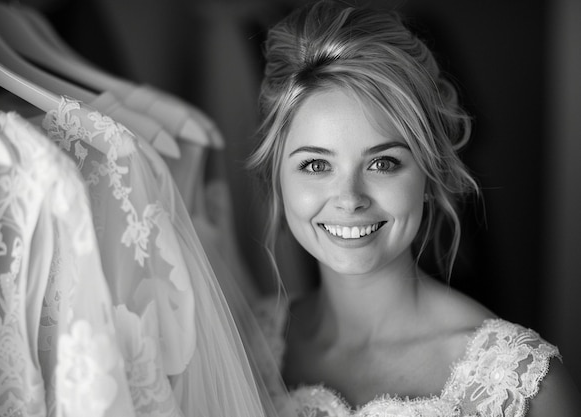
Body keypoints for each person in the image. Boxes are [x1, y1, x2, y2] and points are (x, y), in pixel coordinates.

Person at [246, 1, 581, 416]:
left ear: (428, 174)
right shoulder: (246, 340)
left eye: (382, 163)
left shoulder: (524, 386)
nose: (350, 198)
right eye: (316, 165)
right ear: (277, 177)